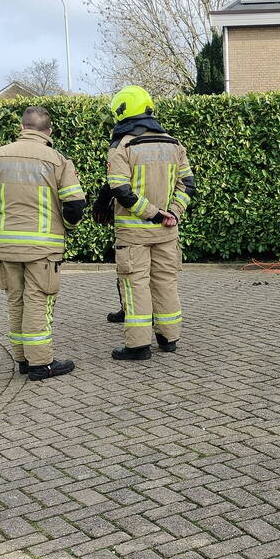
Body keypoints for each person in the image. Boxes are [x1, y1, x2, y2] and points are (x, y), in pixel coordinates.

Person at [0, 106, 86, 380]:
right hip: (43, 248)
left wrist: (0, 216)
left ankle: (23, 358)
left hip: (8, 246)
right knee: (38, 301)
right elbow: (75, 204)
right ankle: (41, 364)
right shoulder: (57, 160)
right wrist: (67, 226)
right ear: (48, 132)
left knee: (16, 301)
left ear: (22, 127)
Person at [95, 85, 194, 360]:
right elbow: (187, 184)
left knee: (135, 284)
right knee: (165, 282)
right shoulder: (174, 143)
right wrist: (172, 212)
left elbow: (120, 190)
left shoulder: (123, 146)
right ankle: (169, 338)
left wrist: (152, 213)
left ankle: (138, 346)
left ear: (121, 112)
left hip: (133, 234)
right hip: (167, 233)